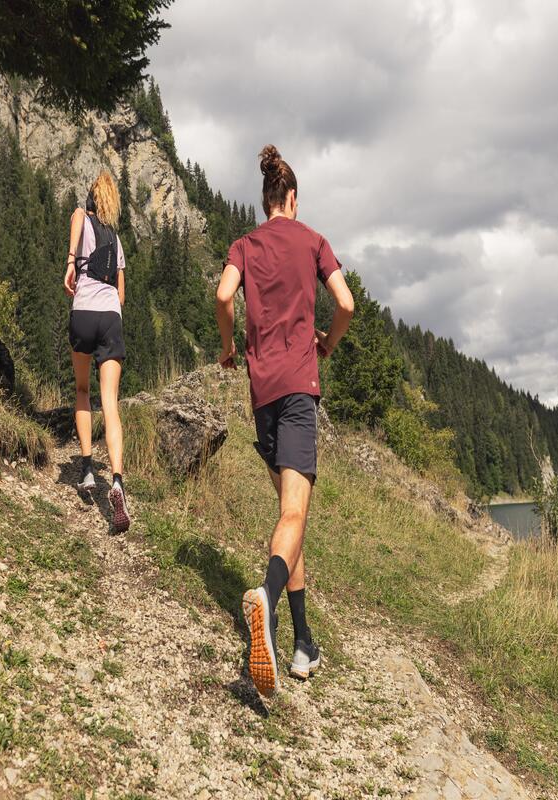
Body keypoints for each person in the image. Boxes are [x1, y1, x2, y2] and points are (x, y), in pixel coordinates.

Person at [215, 145, 354, 697]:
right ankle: (267, 602)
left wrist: (230, 346)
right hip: (299, 387)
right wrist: (328, 344)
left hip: (261, 391)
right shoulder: (313, 240)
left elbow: (224, 294)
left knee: (287, 515)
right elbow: (344, 303)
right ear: (292, 198)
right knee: (295, 512)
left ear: (266, 198)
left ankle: (303, 644)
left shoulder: (244, 245)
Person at [64, 171, 130, 534]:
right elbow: (121, 295)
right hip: (110, 316)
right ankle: (116, 481)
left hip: (84, 309)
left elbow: (76, 217)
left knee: (82, 391)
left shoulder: (81, 217)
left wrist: (72, 263)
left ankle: (88, 470)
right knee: (111, 403)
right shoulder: (116, 239)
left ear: (90, 200)